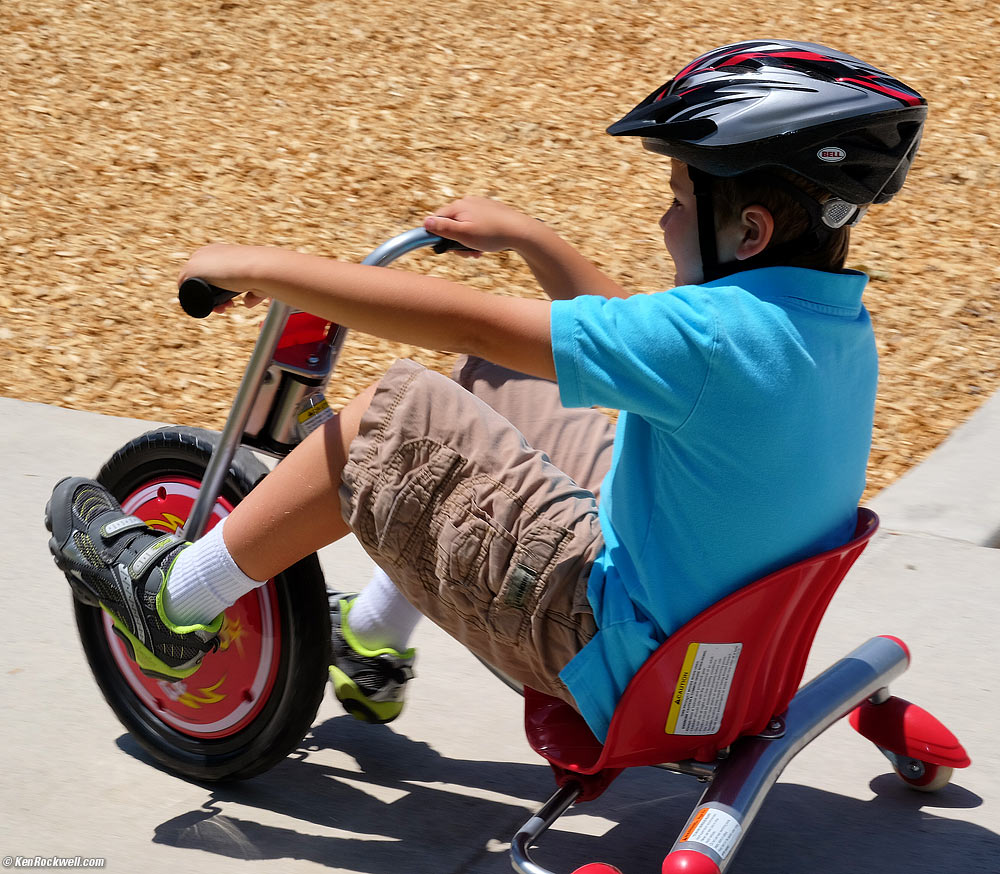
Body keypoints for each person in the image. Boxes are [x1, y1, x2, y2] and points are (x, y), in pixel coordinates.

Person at [46, 40, 927, 741]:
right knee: (507, 381)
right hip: (714, 650)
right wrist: (532, 239)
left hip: (609, 655)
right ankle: (372, 643)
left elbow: (468, 324)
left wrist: (262, 266)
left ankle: (172, 597)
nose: (664, 216)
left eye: (677, 195)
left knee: (393, 415)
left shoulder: (707, 340)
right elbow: (620, 335)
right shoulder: (819, 327)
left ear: (752, 227)